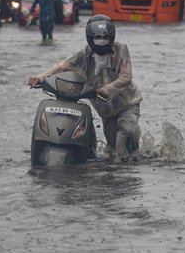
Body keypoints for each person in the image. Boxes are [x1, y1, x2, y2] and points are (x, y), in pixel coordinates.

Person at [28, 15, 142, 161]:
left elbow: (126, 76)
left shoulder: (121, 49)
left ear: (111, 37)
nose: (102, 40)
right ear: (90, 37)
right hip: (106, 110)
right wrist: (41, 77)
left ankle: (129, 173)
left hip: (127, 103)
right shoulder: (83, 54)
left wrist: (107, 89)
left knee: (125, 133)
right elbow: (63, 66)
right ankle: (116, 174)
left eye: (105, 37)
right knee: (113, 150)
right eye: (98, 37)